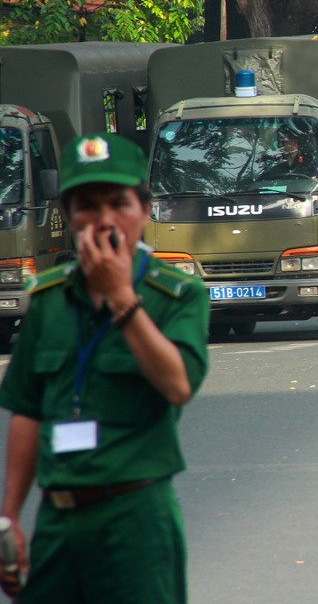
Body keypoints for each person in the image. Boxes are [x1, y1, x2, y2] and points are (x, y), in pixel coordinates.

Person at [0, 133, 210, 603]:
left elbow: (178, 386)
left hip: (135, 515)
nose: (104, 220)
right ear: (69, 217)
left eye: (119, 204)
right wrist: (9, 518)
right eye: (87, 207)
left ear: (145, 210)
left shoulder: (176, 296)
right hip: (59, 519)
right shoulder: (49, 299)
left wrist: (121, 298)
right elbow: (28, 412)